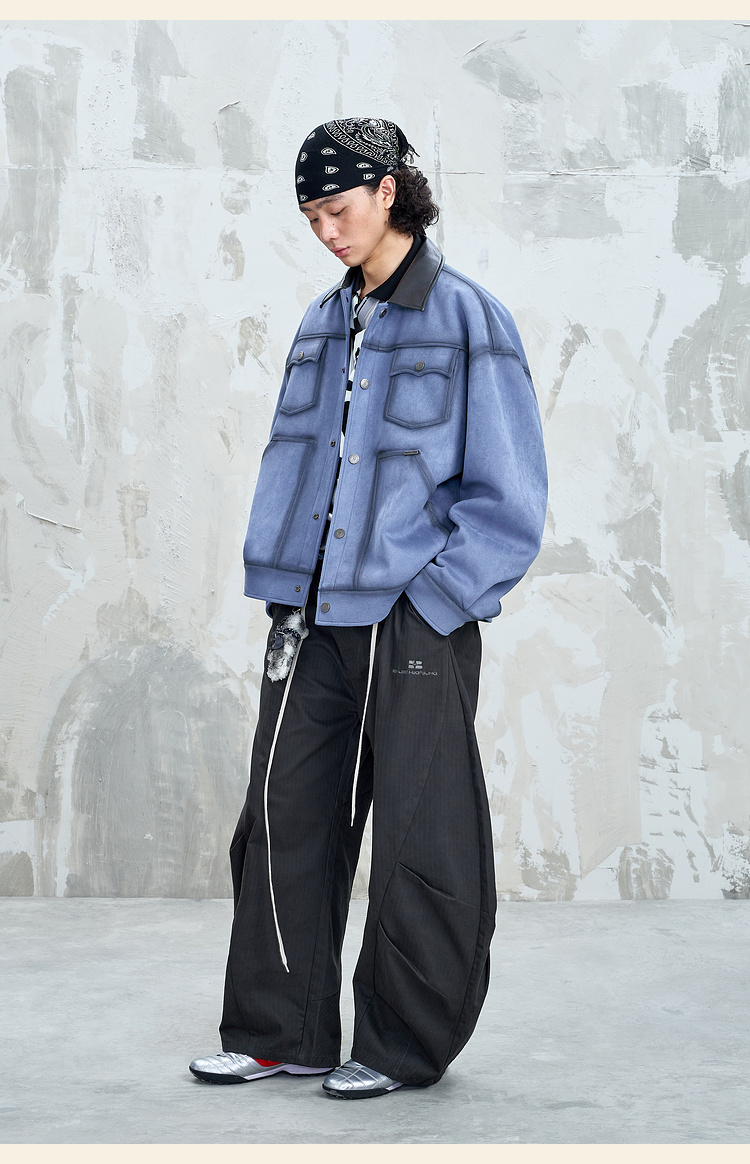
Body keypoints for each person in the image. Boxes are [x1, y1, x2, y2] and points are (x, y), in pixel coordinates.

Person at [189, 116, 547, 1099]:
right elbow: (292, 464)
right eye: (309, 216)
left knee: (421, 833)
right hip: (309, 613)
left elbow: (511, 493)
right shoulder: (321, 320)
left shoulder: (469, 318)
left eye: (337, 209)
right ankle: (280, 1031)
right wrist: (280, 583)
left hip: (411, 612)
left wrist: (436, 599)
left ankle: (399, 1045)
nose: (325, 231)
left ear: (390, 192)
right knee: (281, 816)